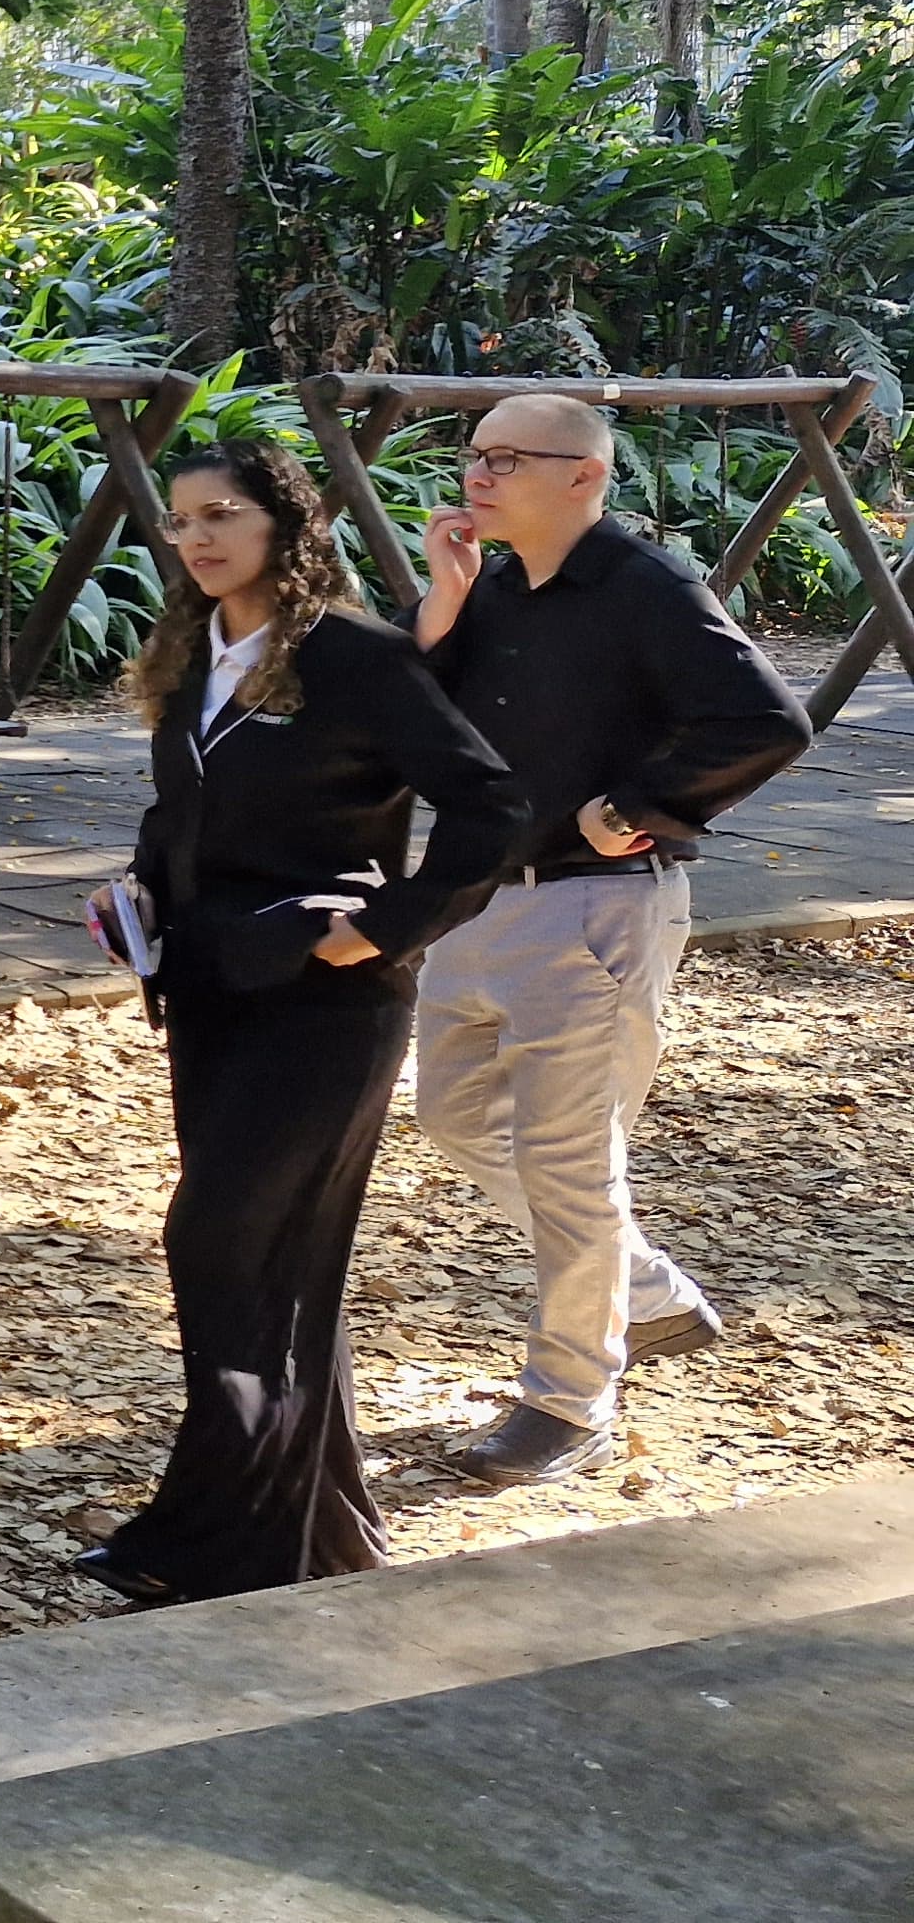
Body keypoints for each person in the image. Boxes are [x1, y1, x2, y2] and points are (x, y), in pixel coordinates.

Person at [78, 437, 524, 1606]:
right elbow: (184, 808)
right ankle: (315, 1532)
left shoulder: (358, 657)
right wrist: (134, 891)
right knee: (275, 1262)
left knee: (219, 1241)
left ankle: (214, 1541)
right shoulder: (193, 653)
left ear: (284, 523)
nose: (196, 538)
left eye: (220, 514)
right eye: (179, 523)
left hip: (327, 1011)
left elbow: (493, 808)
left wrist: (386, 928)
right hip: (213, 996)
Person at [409, 390, 813, 1487]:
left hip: (594, 909)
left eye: (508, 459)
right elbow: (426, 728)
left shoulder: (644, 586)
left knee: (568, 1162)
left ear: (582, 477)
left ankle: (568, 1400)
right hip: (479, 898)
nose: (478, 475)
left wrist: (639, 806)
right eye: (474, 454)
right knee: (450, 1117)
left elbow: (766, 718)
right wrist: (441, 608)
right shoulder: (491, 582)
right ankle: (641, 1291)